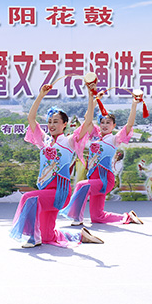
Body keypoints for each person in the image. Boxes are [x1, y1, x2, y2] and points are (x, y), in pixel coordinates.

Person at [9, 83, 104, 248]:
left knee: (29, 197)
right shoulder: (44, 141)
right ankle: (80, 235)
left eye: (56, 122)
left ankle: (32, 238)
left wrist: (90, 96)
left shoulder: (68, 142)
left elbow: (88, 121)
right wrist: (40, 95)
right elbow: (31, 119)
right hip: (46, 190)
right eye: (49, 122)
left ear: (65, 124)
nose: (51, 125)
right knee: (48, 236)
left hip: (60, 192)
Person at [60, 94, 143, 226]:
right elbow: (87, 119)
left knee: (82, 185)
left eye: (108, 123)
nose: (104, 125)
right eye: (102, 122)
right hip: (93, 178)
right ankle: (127, 217)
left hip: (104, 180)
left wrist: (134, 105)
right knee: (97, 216)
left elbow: (129, 125)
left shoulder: (114, 139)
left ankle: (76, 217)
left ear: (113, 125)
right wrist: (94, 101)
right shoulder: (94, 136)